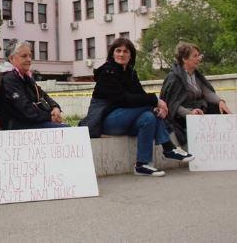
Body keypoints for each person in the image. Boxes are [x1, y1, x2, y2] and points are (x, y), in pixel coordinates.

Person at [80, 37, 193, 177]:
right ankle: (168, 147)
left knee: (149, 117)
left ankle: (142, 165)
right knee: (148, 108)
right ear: (112, 53)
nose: (121, 54)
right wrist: (155, 102)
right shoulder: (107, 73)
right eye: (118, 51)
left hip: (126, 120)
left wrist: (155, 106)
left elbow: (140, 95)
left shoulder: (131, 73)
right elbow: (124, 99)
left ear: (131, 55)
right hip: (106, 121)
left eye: (125, 51)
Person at [160, 41, 232, 146]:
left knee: (217, 108)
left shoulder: (196, 75)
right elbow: (172, 105)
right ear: (184, 59)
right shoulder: (174, 78)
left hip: (198, 112)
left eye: (199, 56)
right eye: (195, 56)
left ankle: (221, 146)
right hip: (181, 117)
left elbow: (207, 92)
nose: (199, 59)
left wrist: (220, 101)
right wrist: (190, 113)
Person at [2, 40, 68, 129]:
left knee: (67, 129)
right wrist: (50, 116)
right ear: (11, 58)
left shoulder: (25, 76)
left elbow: (42, 94)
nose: (29, 59)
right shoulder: (8, 78)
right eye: (24, 56)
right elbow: (25, 110)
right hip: (15, 124)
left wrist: (55, 107)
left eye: (30, 56)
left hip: (30, 121)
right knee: (65, 130)